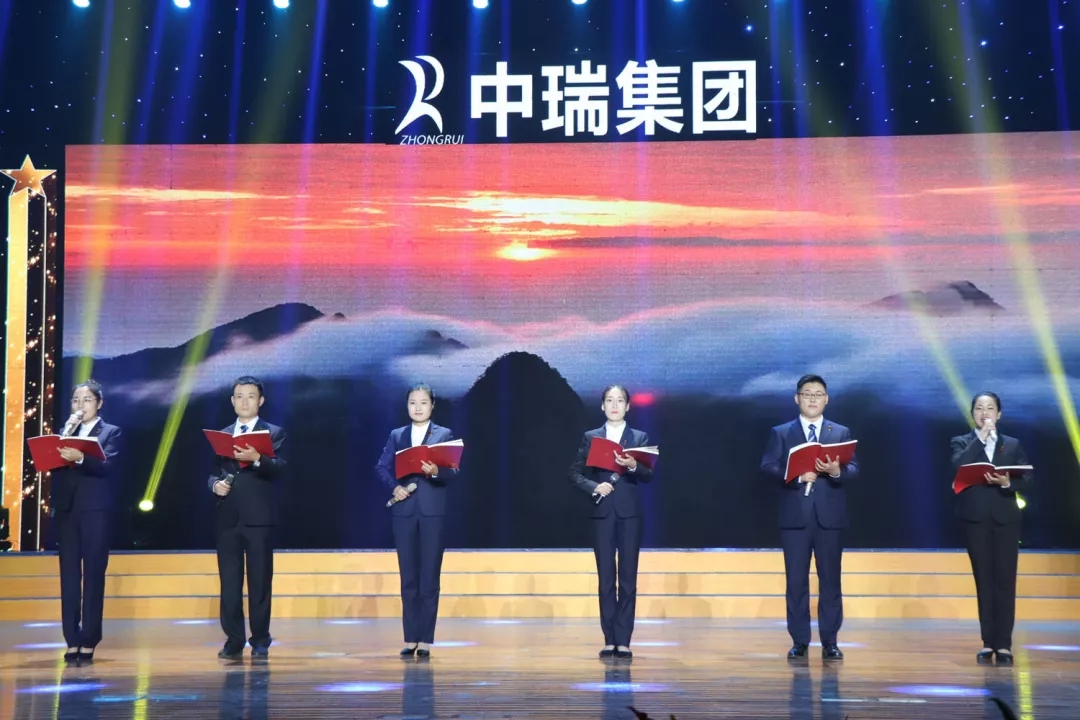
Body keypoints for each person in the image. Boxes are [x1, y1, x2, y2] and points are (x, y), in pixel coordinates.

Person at [760, 374, 858, 661]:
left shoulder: (840, 432)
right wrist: (795, 475)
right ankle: (800, 640)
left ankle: (830, 641)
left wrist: (837, 471)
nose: (812, 399)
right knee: (796, 582)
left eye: (818, 394)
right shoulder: (781, 432)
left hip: (830, 518)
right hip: (795, 517)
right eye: (807, 394)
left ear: (826, 399)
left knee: (831, 581)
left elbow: (854, 468)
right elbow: (768, 466)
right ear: (797, 398)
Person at [569, 384, 653, 659]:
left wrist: (633, 465)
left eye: (619, 401)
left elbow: (648, 474)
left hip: (630, 514)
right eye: (609, 400)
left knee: (628, 577)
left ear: (628, 406)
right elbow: (575, 473)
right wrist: (595, 486)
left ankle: (624, 640)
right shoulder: (591, 436)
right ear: (602, 405)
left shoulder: (639, 437)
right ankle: (609, 639)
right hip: (602, 512)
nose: (614, 405)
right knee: (606, 578)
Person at [375, 383, 459, 658]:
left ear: (432, 405)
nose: (418, 407)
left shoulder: (443, 434)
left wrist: (435, 471)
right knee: (408, 576)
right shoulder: (397, 434)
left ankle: (425, 639)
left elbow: (453, 471)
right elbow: (381, 466)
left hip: (433, 511)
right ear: (407, 406)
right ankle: (410, 637)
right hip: (404, 511)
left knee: (429, 576)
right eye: (413, 402)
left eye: (423, 402)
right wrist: (395, 487)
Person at [950, 391, 1033, 666]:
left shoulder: (1012, 444)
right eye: (979, 408)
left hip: (1006, 518)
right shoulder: (962, 441)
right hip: (975, 519)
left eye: (990, 408)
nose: (984, 413)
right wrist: (982, 437)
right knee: (984, 581)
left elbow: (1028, 479)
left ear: (999, 413)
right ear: (972, 414)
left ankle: (1004, 644)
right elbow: (959, 464)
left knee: (1005, 581)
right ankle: (988, 642)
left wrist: (1008, 483)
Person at [208, 376, 287, 659]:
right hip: (227, 517)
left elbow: (280, 468)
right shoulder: (222, 434)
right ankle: (234, 640)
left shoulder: (274, 432)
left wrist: (257, 458)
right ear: (232, 401)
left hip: (259, 518)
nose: (244, 401)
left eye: (250, 396)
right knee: (229, 584)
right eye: (239, 396)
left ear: (260, 401)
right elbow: (213, 473)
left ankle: (260, 640)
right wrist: (215, 486)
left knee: (259, 582)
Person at [51, 379, 123, 663]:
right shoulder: (65, 432)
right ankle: (71, 638)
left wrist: (81, 457)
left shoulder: (111, 432)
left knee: (93, 574)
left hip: (95, 511)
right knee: (69, 576)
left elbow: (109, 466)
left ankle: (90, 638)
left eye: (86, 400)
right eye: (75, 400)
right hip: (67, 511)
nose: (80, 405)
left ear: (99, 403)